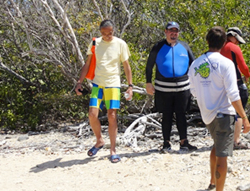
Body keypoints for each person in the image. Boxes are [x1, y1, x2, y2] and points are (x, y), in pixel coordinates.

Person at [189, 26, 250, 191]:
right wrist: (244, 117)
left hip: (207, 115)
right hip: (224, 113)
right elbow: (234, 94)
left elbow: (193, 91)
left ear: (207, 41)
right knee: (223, 155)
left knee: (216, 146)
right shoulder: (226, 64)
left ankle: (213, 181)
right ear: (224, 43)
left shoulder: (196, 64)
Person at [75, 20, 133, 164]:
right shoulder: (95, 43)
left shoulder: (120, 44)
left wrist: (130, 86)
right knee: (92, 114)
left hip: (113, 84)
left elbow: (126, 66)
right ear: (100, 32)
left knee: (111, 115)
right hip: (97, 84)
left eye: (110, 33)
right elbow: (87, 63)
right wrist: (79, 82)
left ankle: (113, 150)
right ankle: (99, 140)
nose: (107, 36)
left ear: (114, 30)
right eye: (104, 33)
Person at [145, 21, 197, 152]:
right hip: (163, 88)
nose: (173, 33)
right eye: (171, 31)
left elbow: (194, 64)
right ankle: (166, 143)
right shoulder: (158, 46)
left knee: (182, 115)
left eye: (176, 31)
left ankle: (184, 142)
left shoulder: (184, 46)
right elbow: (149, 66)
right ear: (165, 32)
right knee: (166, 115)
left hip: (183, 88)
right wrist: (148, 83)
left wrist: (197, 83)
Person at [220, 27, 250, 150]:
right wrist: (247, 76)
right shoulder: (233, 48)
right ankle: (235, 141)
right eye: (237, 39)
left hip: (221, 85)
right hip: (235, 83)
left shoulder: (218, 48)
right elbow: (243, 66)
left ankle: (223, 140)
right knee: (239, 111)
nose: (238, 42)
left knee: (225, 112)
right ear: (233, 36)